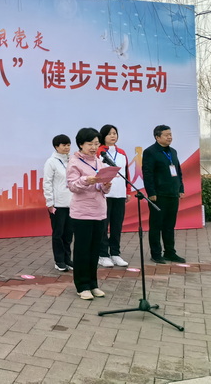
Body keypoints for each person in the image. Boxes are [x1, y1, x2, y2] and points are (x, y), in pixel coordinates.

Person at [67, 128, 111, 300]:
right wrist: (86, 180)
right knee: (82, 250)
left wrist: (105, 186)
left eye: (96, 144)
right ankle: (82, 285)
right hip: (82, 212)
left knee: (94, 250)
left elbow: (101, 188)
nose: (94, 147)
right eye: (90, 144)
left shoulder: (99, 161)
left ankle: (93, 284)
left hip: (99, 211)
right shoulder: (74, 162)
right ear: (80, 144)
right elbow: (72, 186)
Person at [142, 125, 185, 264]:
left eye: (170, 134)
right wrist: (151, 192)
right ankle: (156, 254)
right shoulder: (150, 152)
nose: (170, 137)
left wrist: (181, 188)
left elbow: (178, 171)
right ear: (157, 137)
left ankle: (170, 252)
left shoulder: (173, 151)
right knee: (156, 225)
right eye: (166, 135)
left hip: (173, 193)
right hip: (158, 195)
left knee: (169, 225)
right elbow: (147, 174)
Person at [97, 124, 132, 268]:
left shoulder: (122, 152)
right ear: (103, 136)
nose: (113, 136)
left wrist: (128, 191)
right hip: (105, 194)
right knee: (103, 225)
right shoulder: (99, 151)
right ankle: (103, 254)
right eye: (109, 133)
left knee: (117, 225)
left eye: (115, 133)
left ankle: (115, 253)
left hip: (120, 193)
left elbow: (126, 172)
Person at [43, 134, 73, 272]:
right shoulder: (51, 162)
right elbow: (47, 182)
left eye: (68, 145)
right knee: (58, 234)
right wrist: (50, 202)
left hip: (72, 203)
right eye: (64, 145)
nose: (67, 147)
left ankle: (67, 259)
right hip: (58, 204)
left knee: (68, 234)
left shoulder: (72, 161)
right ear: (56, 146)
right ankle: (59, 260)